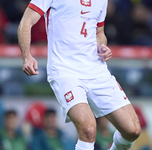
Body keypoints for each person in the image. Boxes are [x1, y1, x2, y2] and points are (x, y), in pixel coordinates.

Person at [17, 0, 141, 149]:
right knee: (88, 129)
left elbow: (99, 33)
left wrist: (102, 46)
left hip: (96, 70)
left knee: (132, 130)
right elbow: (26, 21)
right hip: (65, 70)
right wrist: (27, 56)